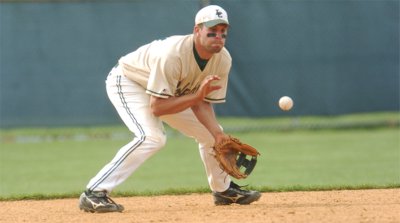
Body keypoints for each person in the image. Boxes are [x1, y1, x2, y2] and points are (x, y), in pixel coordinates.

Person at [79, 5, 261, 213]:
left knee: (212, 134)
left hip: (170, 93)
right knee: (151, 137)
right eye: (212, 31)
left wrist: (218, 135)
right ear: (197, 31)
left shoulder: (222, 60)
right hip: (130, 81)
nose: (218, 36)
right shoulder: (173, 55)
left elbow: (202, 102)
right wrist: (196, 96)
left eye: (223, 32)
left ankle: (224, 191)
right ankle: (94, 192)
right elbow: (157, 107)